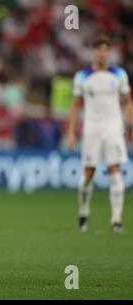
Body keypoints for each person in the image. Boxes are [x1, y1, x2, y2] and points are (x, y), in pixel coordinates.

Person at [67, 35, 133, 233]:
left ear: (109, 52)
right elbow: (76, 105)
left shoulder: (119, 74)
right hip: (92, 128)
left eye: (105, 49)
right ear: (93, 52)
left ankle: (116, 220)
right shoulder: (82, 77)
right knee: (89, 173)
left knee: (115, 168)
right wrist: (71, 131)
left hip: (113, 127)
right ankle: (84, 212)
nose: (102, 53)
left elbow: (126, 102)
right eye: (98, 49)